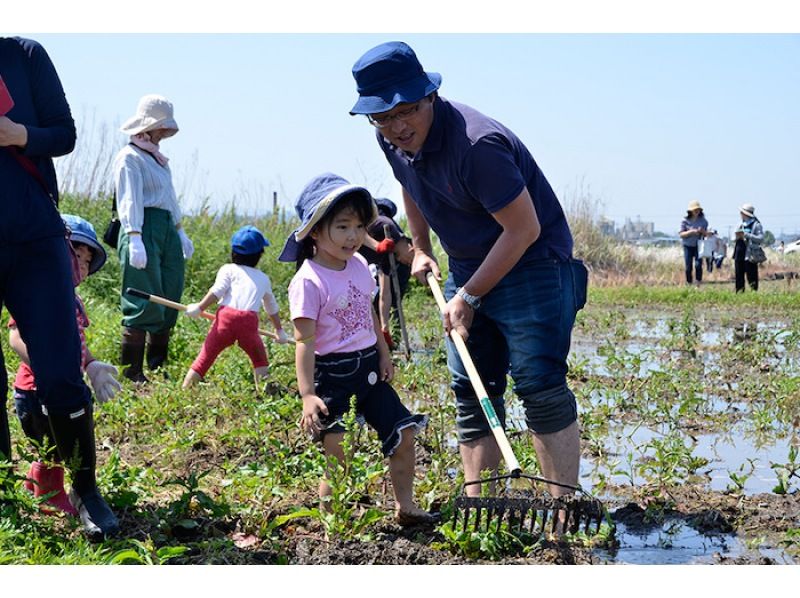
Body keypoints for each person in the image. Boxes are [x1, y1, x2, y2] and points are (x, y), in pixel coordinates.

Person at [349, 42, 588, 499]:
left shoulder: (477, 147)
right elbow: (411, 185)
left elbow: (523, 229)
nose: (398, 126)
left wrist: (470, 296)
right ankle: (483, 506)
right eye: (382, 117)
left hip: (534, 265)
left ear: (430, 96)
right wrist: (419, 248)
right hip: (468, 267)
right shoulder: (390, 138)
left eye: (408, 111)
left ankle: (563, 511)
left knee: (539, 384)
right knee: (473, 387)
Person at [1, 36, 119, 538]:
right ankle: (5, 491)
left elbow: (63, 134)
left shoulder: (23, 56)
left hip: (33, 235)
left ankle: (86, 489)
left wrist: (15, 133)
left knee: (60, 367)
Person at [278, 173, 434, 525]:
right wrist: (307, 394)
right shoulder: (308, 280)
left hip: (369, 369)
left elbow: (366, 314)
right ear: (315, 230)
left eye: (359, 226)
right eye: (343, 227)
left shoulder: (361, 265)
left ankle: (406, 506)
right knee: (339, 453)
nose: (353, 236)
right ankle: (335, 525)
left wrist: (383, 352)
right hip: (332, 376)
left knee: (403, 434)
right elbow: (304, 341)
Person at [9, 214, 121, 516]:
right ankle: (51, 496)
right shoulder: (36, 295)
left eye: (87, 261)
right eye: (75, 255)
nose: (82, 266)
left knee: (56, 442)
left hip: (59, 385)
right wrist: (46, 365)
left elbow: (77, 342)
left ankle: (35, 484)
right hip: (36, 389)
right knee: (54, 445)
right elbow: (15, 336)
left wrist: (92, 364)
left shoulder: (71, 299)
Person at [113, 94, 194, 383]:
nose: (164, 134)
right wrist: (134, 235)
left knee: (169, 293)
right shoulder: (129, 157)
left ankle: (158, 366)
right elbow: (129, 198)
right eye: (161, 128)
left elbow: (169, 198)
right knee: (143, 296)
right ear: (147, 127)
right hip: (142, 227)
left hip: (166, 229)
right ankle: (132, 372)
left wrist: (180, 230)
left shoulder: (159, 160)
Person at [182, 225, 290, 390]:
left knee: (206, 355)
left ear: (233, 252)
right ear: (260, 254)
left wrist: (199, 307)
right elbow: (271, 307)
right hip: (248, 322)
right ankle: (266, 390)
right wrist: (279, 331)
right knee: (259, 358)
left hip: (225, 319)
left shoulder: (228, 269)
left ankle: (186, 387)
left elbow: (217, 292)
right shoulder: (263, 278)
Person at [358, 197, 413, 348]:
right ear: (410, 247)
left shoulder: (391, 257)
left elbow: (385, 293)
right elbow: (359, 229)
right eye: (410, 259)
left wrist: (385, 327)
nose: (409, 262)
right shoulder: (386, 225)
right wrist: (376, 245)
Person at [733, 203, 764, 292]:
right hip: (739, 251)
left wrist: (747, 235)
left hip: (750, 253)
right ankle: (739, 292)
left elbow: (760, 238)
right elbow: (733, 237)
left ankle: (753, 292)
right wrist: (737, 236)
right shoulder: (740, 224)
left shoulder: (756, 225)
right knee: (739, 274)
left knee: (752, 274)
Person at [679, 200, 709, 286]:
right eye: (695, 209)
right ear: (690, 211)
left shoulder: (703, 221)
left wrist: (702, 231)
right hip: (687, 246)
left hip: (699, 246)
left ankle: (698, 283)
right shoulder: (685, 221)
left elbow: (707, 234)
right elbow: (681, 234)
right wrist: (691, 232)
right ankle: (689, 283)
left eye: (698, 209)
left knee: (698, 265)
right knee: (688, 266)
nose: (697, 211)